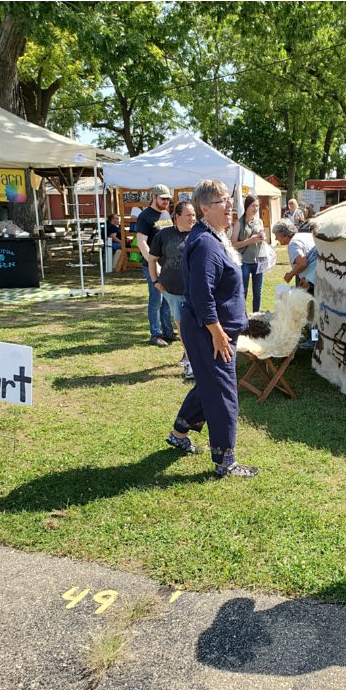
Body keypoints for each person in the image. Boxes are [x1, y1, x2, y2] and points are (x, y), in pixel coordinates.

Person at [166, 179, 259, 479]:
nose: (231, 205)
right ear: (205, 208)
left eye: (231, 200)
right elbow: (201, 293)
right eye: (223, 201)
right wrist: (217, 332)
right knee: (222, 392)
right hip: (210, 331)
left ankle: (180, 432)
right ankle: (225, 461)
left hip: (210, 329)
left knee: (208, 384)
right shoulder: (206, 243)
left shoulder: (212, 236)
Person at [148, 201, 197, 380]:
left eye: (194, 215)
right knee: (183, 327)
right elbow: (152, 259)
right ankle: (191, 363)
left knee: (194, 327)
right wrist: (155, 281)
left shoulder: (199, 234)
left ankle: (190, 356)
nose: (192, 218)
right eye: (188, 215)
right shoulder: (164, 234)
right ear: (177, 217)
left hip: (196, 291)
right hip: (173, 291)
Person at [136, 185, 177, 347]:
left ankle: (168, 332)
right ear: (154, 197)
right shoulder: (145, 217)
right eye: (163, 198)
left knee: (167, 300)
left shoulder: (166, 213)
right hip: (153, 266)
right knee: (156, 300)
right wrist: (154, 265)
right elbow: (141, 243)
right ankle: (155, 334)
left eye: (168, 198)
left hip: (167, 266)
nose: (166, 201)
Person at [231, 195, 265, 313]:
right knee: (243, 291)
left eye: (257, 206)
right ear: (247, 206)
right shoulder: (239, 223)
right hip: (244, 261)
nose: (256, 208)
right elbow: (233, 244)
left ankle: (256, 316)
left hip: (258, 260)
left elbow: (262, 237)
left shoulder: (259, 221)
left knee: (258, 292)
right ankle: (242, 316)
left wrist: (262, 237)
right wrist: (250, 241)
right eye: (253, 206)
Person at [272, 217, 317, 294]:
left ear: (284, 235)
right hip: (317, 276)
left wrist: (290, 275)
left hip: (312, 281)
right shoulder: (304, 235)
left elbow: (303, 263)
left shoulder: (293, 244)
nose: (276, 238)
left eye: (277, 235)